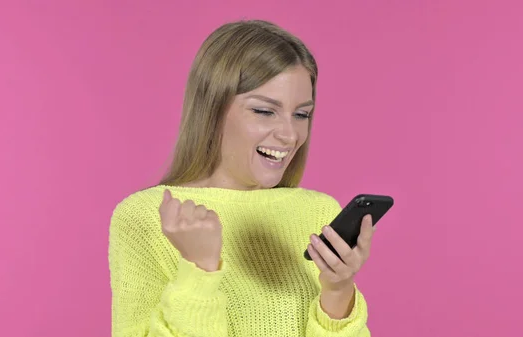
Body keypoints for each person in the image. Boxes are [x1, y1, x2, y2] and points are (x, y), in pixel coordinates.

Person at [108, 19, 375, 337]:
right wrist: (199, 271)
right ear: (213, 109)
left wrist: (338, 291)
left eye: (301, 114)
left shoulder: (318, 212)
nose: (289, 135)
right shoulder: (148, 217)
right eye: (264, 111)